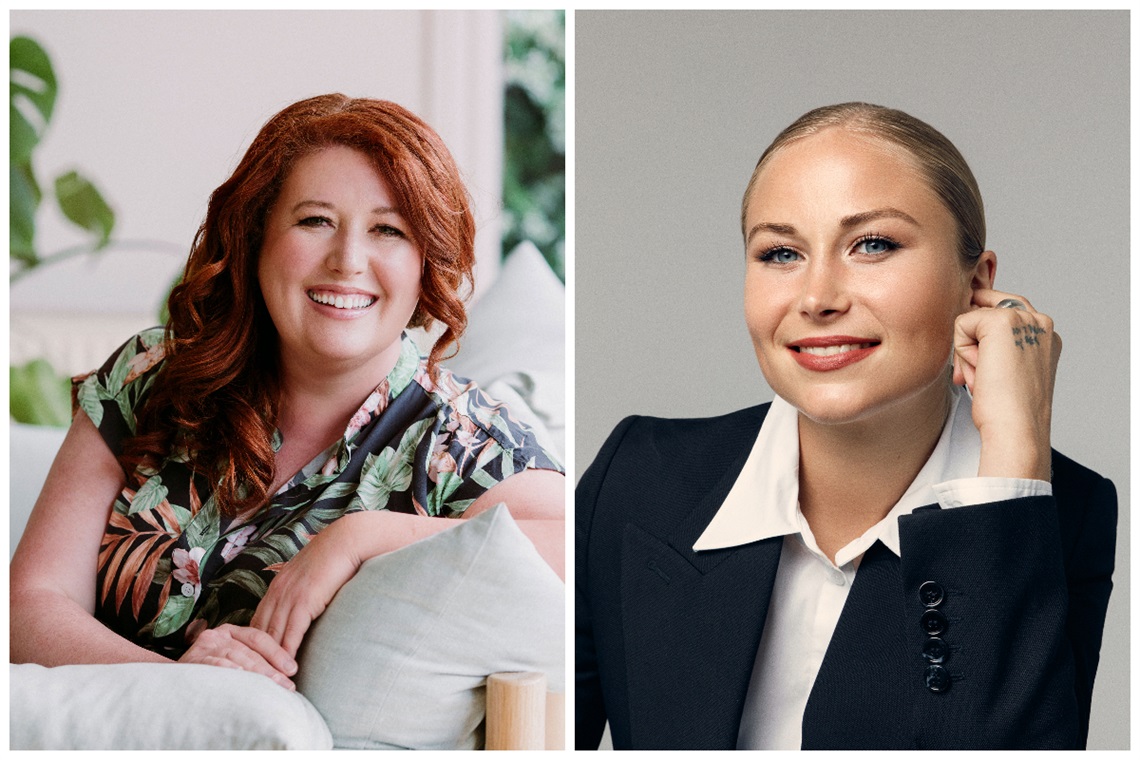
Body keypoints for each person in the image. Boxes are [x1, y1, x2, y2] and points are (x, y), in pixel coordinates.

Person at [575, 102, 1116, 750]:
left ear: (976, 283)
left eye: (874, 244)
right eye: (780, 252)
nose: (818, 296)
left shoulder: (1053, 514)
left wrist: (1014, 453)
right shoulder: (638, 476)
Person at [11, 94, 565, 692]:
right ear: (256, 238)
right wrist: (183, 686)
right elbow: (29, 605)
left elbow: (585, 553)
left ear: (425, 262)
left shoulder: (462, 443)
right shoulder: (151, 374)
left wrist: (359, 537)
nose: (348, 260)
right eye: (315, 221)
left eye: (388, 230)